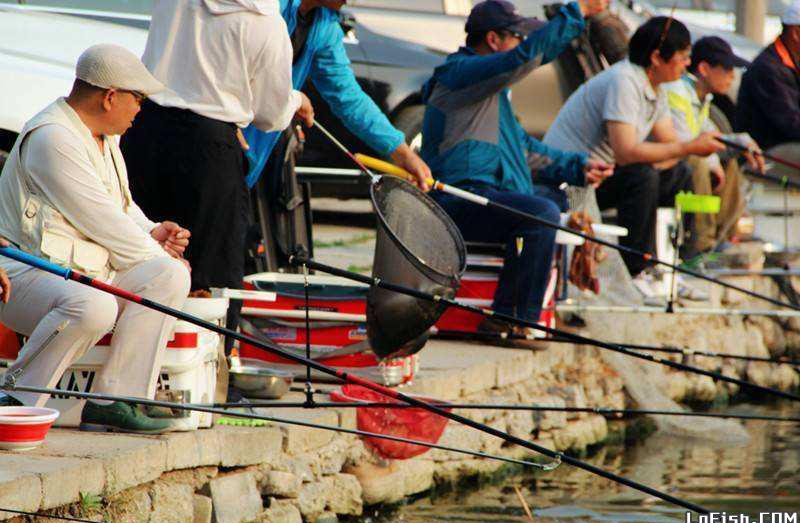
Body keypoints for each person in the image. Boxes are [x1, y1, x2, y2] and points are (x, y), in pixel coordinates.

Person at [0, 44, 191, 434]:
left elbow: (119, 207)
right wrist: (153, 250)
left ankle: (116, 400)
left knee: (169, 276)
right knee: (94, 305)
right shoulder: (53, 138)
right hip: (20, 275)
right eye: (138, 99)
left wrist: (153, 231)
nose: (141, 110)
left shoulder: (103, 138)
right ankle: (17, 395)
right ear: (110, 97)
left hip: (80, 271)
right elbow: (104, 222)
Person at [420, 0, 613, 349]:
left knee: (554, 199)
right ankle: (511, 319)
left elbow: (525, 150)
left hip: (486, 195)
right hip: (454, 200)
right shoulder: (460, 75)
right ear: (494, 40)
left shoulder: (493, 96)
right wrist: (576, 11)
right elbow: (521, 59)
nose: (521, 44)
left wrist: (578, 167)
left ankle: (549, 300)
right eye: (517, 36)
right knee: (541, 215)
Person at [121, 0, 312, 348]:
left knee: (135, 259)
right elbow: (270, 115)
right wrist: (296, 101)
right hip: (209, 152)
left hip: (144, 133)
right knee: (209, 277)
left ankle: (133, 374)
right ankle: (206, 378)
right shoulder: (266, 24)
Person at [544, 16, 724, 296]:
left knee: (680, 175)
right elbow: (626, 152)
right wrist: (687, 148)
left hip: (605, 175)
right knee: (642, 176)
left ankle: (673, 263)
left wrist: (694, 150)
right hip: (574, 181)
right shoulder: (624, 80)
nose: (687, 64)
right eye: (683, 57)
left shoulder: (657, 88)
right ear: (656, 57)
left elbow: (671, 145)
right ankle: (635, 269)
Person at [241, 0, 432, 206]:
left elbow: (348, 97)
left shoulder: (324, 24)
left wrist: (402, 152)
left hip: (248, 154)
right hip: (217, 134)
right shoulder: (266, 6)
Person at [664, 36, 763, 253]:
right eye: (726, 69)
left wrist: (741, 143)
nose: (732, 76)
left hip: (686, 156)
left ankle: (721, 238)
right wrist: (712, 162)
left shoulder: (702, 98)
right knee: (699, 164)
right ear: (704, 68)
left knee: (731, 165)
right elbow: (685, 140)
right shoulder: (677, 91)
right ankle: (699, 243)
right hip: (667, 162)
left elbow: (710, 133)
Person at [737, 1, 800, 150]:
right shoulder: (767, 68)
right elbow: (791, 124)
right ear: (796, 33)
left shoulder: (791, 61)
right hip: (767, 153)